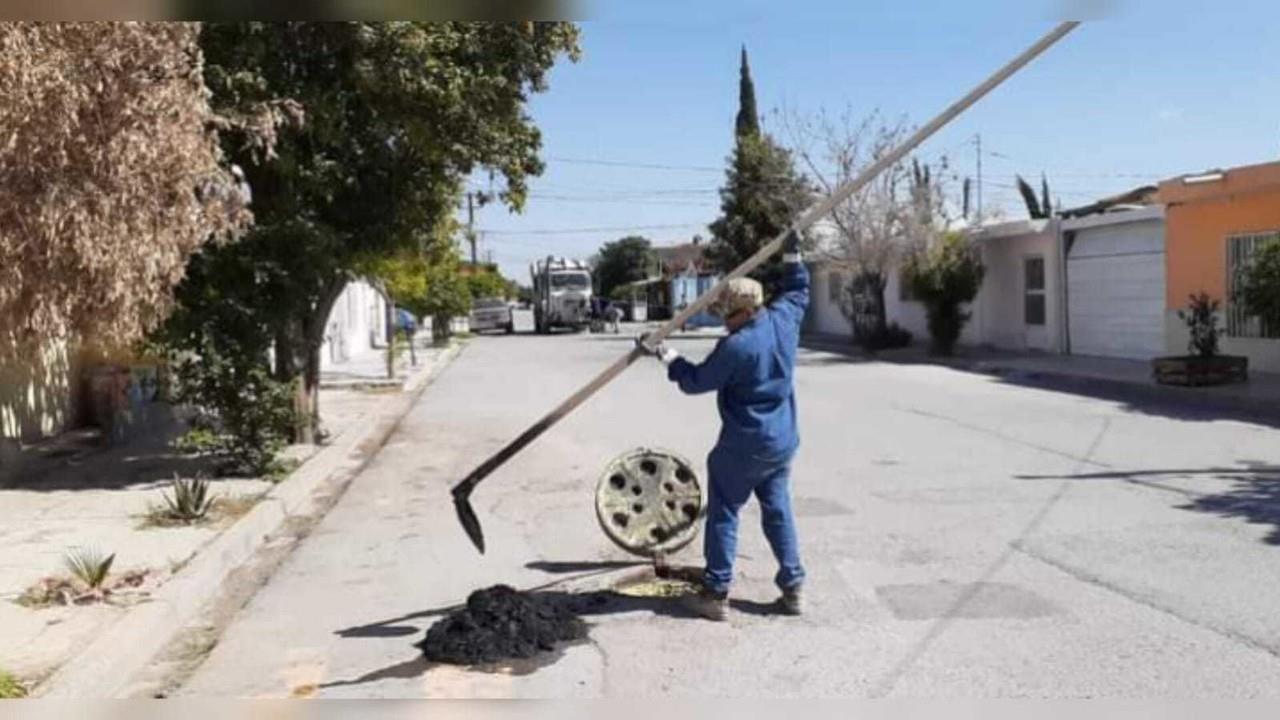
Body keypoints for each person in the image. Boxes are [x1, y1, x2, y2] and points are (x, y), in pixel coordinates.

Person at [635, 230, 808, 621]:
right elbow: (798, 288)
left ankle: (716, 593)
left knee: (724, 512)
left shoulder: (737, 346)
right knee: (778, 510)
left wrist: (666, 354)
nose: (725, 323)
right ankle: (793, 587)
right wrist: (793, 255)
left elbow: (695, 382)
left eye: (728, 315)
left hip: (743, 446)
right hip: (781, 440)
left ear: (745, 311)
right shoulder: (785, 319)